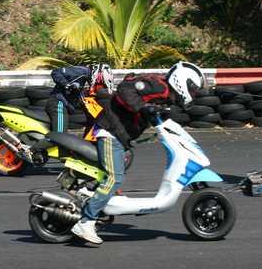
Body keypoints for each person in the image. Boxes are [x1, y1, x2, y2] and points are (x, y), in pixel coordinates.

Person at [72, 61, 206, 244]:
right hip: (110, 132)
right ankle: (86, 221)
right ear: (184, 82)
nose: (193, 95)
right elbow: (125, 89)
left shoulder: (166, 97)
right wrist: (142, 107)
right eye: (194, 90)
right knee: (114, 178)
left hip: (120, 136)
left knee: (123, 166)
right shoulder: (159, 85)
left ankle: (95, 198)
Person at [46, 65, 91, 133]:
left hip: (70, 104)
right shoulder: (81, 71)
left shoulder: (90, 78)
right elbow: (55, 72)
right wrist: (67, 85)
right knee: (60, 135)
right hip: (59, 103)